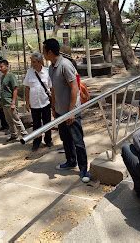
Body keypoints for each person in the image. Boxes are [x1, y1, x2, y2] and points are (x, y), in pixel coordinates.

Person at [43, 38, 90, 183]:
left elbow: (74, 87)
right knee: (65, 139)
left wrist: (71, 111)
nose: (43, 53)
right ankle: (71, 161)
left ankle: (83, 169)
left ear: (50, 52)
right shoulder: (51, 67)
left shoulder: (65, 65)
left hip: (71, 111)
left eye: (44, 51)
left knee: (77, 140)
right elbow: (54, 89)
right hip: (59, 111)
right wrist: (53, 107)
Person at [23, 52, 53, 151]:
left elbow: (51, 88)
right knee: (36, 124)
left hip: (45, 103)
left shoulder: (47, 72)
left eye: (34, 62)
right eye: (32, 62)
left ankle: (48, 140)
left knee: (47, 123)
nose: (33, 64)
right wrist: (27, 102)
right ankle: (37, 142)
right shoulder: (29, 72)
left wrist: (54, 102)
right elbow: (27, 88)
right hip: (34, 104)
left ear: (40, 62)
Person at [0, 59, 28, 142]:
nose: (0, 68)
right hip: (5, 102)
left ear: (7, 66)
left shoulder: (11, 76)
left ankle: (25, 135)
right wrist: (1, 101)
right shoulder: (3, 77)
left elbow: (15, 89)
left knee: (16, 119)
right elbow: (3, 90)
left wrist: (13, 102)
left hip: (10, 102)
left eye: (2, 66)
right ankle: (13, 134)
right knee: (9, 120)